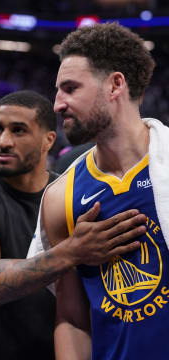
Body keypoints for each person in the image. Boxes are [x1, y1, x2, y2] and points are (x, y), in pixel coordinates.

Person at [0, 90, 147, 360]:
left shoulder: (69, 193)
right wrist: (72, 252)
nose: (4, 141)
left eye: (18, 131)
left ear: (48, 140)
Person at [36, 22, 169, 359]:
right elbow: (71, 318)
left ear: (115, 85)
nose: (57, 104)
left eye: (70, 88)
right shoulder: (60, 196)